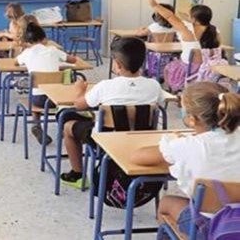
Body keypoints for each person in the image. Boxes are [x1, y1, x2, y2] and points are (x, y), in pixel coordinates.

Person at [130, 82, 240, 239]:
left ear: (192, 119)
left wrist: (173, 141)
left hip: (211, 227)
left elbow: (138, 157)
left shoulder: (188, 145)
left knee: (166, 203)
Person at [59, 37, 165, 188]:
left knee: (68, 126)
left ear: (118, 64)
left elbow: (79, 105)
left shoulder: (105, 86)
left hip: (106, 144)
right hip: (143, 144)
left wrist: (79, 90)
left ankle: (77, 174)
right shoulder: (154, 85)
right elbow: (159, 103)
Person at [16, 23, 77, 145]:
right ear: (43, 38)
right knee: (64, 92)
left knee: (35, 95)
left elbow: (16, 62)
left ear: (28, 40)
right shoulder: (53, 50)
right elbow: (73, 60)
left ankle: (36, 125)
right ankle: (62, 127)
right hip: (57, 99)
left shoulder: (27, 53)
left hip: (38, 100)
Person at [149, 0, 221, 92]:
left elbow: (169, 16)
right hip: (211, 70)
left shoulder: (188, 30)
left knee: (168, 68)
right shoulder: (215, 31)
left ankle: (174, 93)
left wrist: (155, 5)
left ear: (193, 19)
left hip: (189, 70)